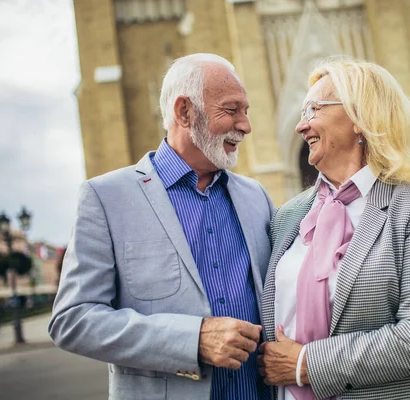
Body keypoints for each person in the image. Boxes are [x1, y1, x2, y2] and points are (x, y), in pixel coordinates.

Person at [49, 53, 274, 400]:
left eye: (246, 111)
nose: (245, 125)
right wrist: (191, 340)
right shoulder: (106, 197)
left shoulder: (256, 197)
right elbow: (72, 320)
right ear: (185, 112)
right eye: (232, 110)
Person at [258, 58, 410, 399]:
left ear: (359, 117)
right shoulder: (288, 216)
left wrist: (306, 365)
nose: (300, 126)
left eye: (313, 110)